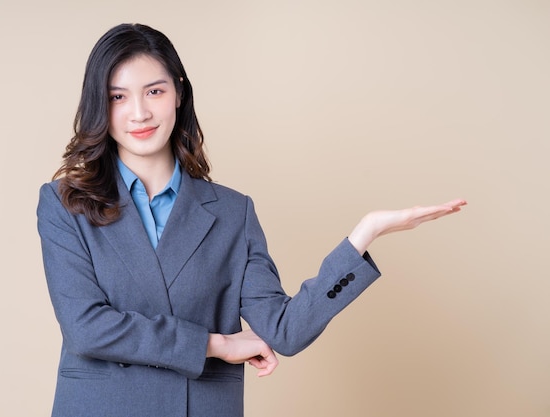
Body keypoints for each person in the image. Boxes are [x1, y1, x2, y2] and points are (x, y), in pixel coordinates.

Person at [37, 23, 466, 417]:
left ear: (179, 93)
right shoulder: (64, 203)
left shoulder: (232, 212)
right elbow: (86, 328)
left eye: (154, 91)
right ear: (99, 104)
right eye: (118, 96)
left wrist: (364, 234)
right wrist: (215, 344)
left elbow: (284, 330)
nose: (139, 113)